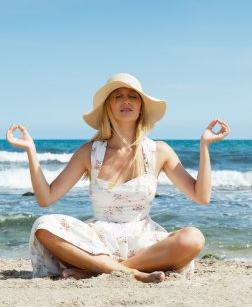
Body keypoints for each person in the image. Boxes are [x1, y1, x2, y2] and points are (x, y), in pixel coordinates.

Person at [6, 73, 230, 283]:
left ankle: (95, 269)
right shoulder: (89, 152)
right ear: (108, 107)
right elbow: (46, 198)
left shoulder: (158, 151)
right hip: (98, 241)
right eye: (118, 96)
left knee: (193, 238)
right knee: (43, 226)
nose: (126, 101)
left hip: (144, 243)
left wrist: (205, 146)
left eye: (133, 96)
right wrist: (30, 150)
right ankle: (129, 272)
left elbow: (201, 196)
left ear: (141, 107)